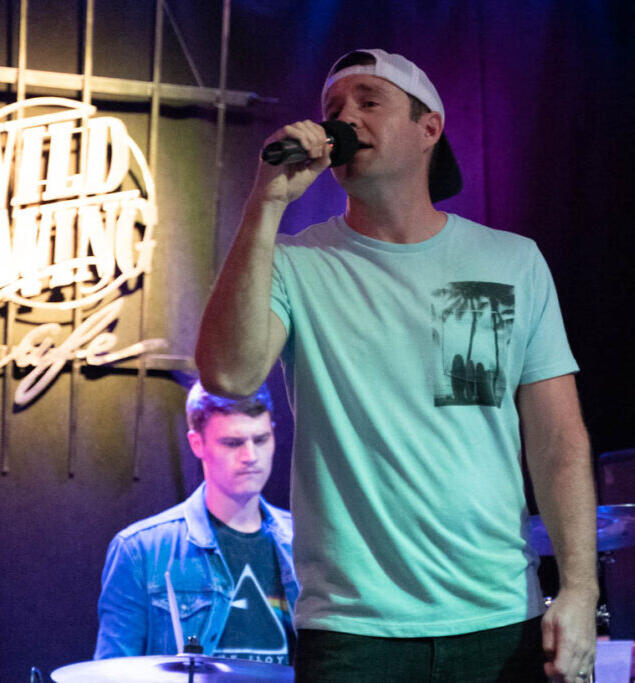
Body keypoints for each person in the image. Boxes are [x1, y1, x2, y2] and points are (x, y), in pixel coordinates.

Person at [195, 48, 598, 682]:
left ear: (429, 127)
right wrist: (265, 204)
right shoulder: (295, 262)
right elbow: (229, 376)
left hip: (499, 618)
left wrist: (579, 588)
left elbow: (558, 442)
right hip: (354, 630)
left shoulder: (509, 260)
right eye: (333, 107)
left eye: (369, 101)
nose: (344, 118)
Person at [94, 381, 299, 665]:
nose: (251, 457)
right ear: (197, 443)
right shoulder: (139, 549)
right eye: (233, 443)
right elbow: (111, 671)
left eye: (261, 440)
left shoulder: (306, 541)